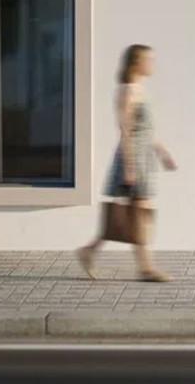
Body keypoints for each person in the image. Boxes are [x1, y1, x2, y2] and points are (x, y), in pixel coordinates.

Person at [78, 44, 176, 281]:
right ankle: (145, 268)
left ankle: (89, 250)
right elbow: (125, 130)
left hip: (144, 159)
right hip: (133, 160)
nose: (152, 65)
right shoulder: (127, 91)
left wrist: (162, 152)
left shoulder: (140, 89)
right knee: (140, 213)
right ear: (135, 63)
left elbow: (146, 131)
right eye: (148, 60)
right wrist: (130, 167)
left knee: (134, 214)